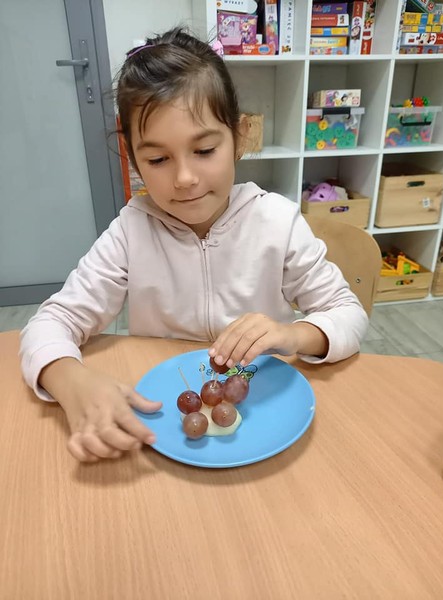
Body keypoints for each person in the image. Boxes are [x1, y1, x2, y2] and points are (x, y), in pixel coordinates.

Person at [20, 27, 368, 463]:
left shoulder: (277, 222)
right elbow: (51, 322)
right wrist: (69, 379)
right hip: (167, 427)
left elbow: (348, 314)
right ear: (132, 156)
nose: (184, 178)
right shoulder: (131, 232)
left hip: (264, 416)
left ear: (239, 136)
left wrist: (293, 335)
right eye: (158, 159)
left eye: (204, 150)